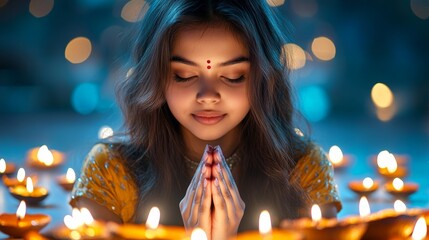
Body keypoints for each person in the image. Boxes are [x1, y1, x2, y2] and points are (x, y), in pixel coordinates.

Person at [70, 0, 342, 239]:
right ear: (156, 77)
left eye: (233, 76)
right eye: (185, 75)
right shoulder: (112, 173)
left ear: (263, 79)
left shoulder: (303, 172)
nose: (208, 96)